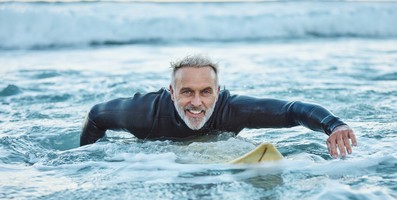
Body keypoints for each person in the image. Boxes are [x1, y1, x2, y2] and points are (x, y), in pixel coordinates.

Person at [80, 54, 357, 158]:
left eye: (206, 92)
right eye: (187, 92)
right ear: (171, 92)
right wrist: (91, 158)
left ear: (218, 92)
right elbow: (96, 116)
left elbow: (292, 109)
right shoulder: (142, 113)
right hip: (156, 159)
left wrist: (335, 124)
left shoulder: (232, 109)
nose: (197, 103)